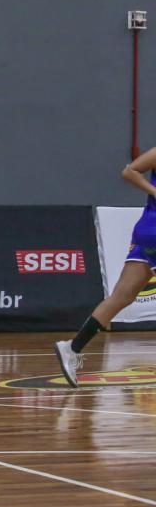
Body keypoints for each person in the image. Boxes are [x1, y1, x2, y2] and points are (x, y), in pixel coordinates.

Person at [56, 146, 156, 386]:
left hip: (146, 231)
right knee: (122, 295)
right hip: (153, 229)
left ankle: (72, 347)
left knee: (123, 295)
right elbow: (129, 171)